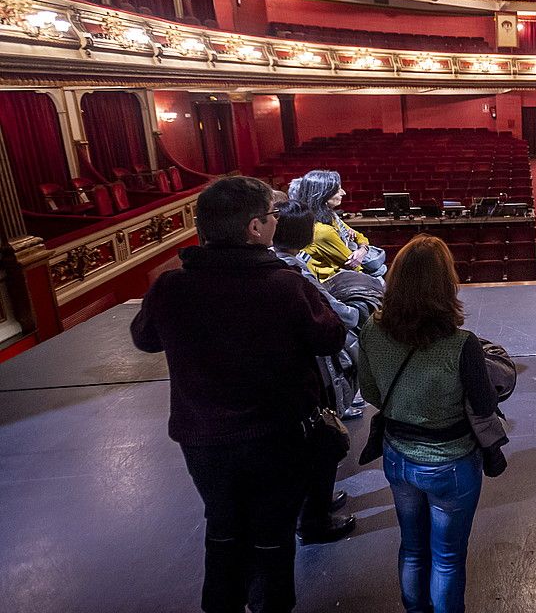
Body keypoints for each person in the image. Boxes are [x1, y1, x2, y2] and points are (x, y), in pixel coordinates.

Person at [130, 177, 346, 613]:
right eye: (273, 214)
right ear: (254, 227)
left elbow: (145, 338)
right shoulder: (285, 286)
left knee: (223, 528)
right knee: (273, 535)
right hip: (276, 436)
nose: (277, 221)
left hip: (202, 439)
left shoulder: (171, 287)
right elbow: (331, 337)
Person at [357, 235, 497, 613]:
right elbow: (484, 405)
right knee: (447, 557)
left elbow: (369, 390)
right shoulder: (462, 343)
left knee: (413, 547)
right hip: (450, 462)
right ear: (444, 283)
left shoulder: (372, 328)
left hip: (397, 456)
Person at [271, 200, 359, 545]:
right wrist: (357, 312)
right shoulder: (293, 273)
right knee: (321, 439)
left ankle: (315, 502)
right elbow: (336, 315)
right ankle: (314, 519)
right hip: (311, 368)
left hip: (292, 369)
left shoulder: (282, 265)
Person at [291, 169, 387, 282]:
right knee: (380, 272)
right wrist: (359, 249)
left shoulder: (331, 217)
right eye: (337, 190)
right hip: (333, 284)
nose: (344, 192)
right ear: (323, 196)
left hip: (345, 274)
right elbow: (355, 266)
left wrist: (362, 249)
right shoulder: (322, 231)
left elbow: (359, 236)